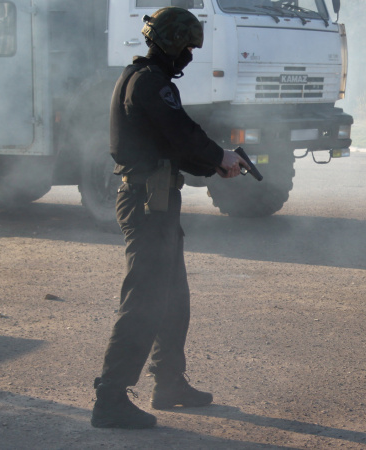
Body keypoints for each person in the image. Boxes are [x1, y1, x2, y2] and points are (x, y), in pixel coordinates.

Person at [91, 7, 248, 429]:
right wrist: (218, 156)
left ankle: (170, 383)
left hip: (156, 199)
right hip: (147, 202)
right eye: (188, 48)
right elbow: (181, 133)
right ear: (172, 44)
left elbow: (172, 145)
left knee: (173, 297)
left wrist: (214, 165)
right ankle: (109, 398)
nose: (190, 57)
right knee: (143, 301)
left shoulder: (144, 79)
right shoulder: (149, 83)